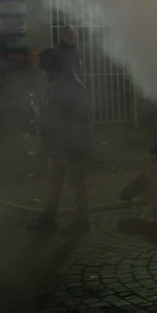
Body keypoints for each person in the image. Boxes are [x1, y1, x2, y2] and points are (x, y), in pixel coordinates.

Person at [31, 47, 93, 234]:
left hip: (72, 145)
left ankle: (82, 222)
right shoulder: (59, 83)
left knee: (75, 183)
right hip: (60, 144)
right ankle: (48, 219)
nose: (42, 74)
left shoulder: (68, 86)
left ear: (53, 69)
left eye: (44, 70)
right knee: (54, 182)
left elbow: (71, 119)